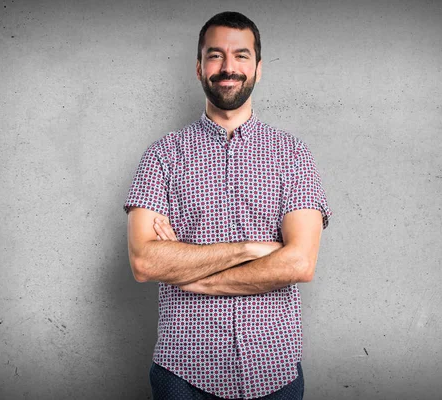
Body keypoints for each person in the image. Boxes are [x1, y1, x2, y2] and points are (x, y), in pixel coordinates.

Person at [124, 11, 331, 400]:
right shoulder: (162, 157)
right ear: (199, 67)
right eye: (215, 55)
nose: (228, 67)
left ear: (258, 67)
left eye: (241, 55)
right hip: (182, 372)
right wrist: (250, 250)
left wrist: (191, 273)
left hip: (274, 370)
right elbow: (145, 263)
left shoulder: (293, 155)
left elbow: (299, 263)